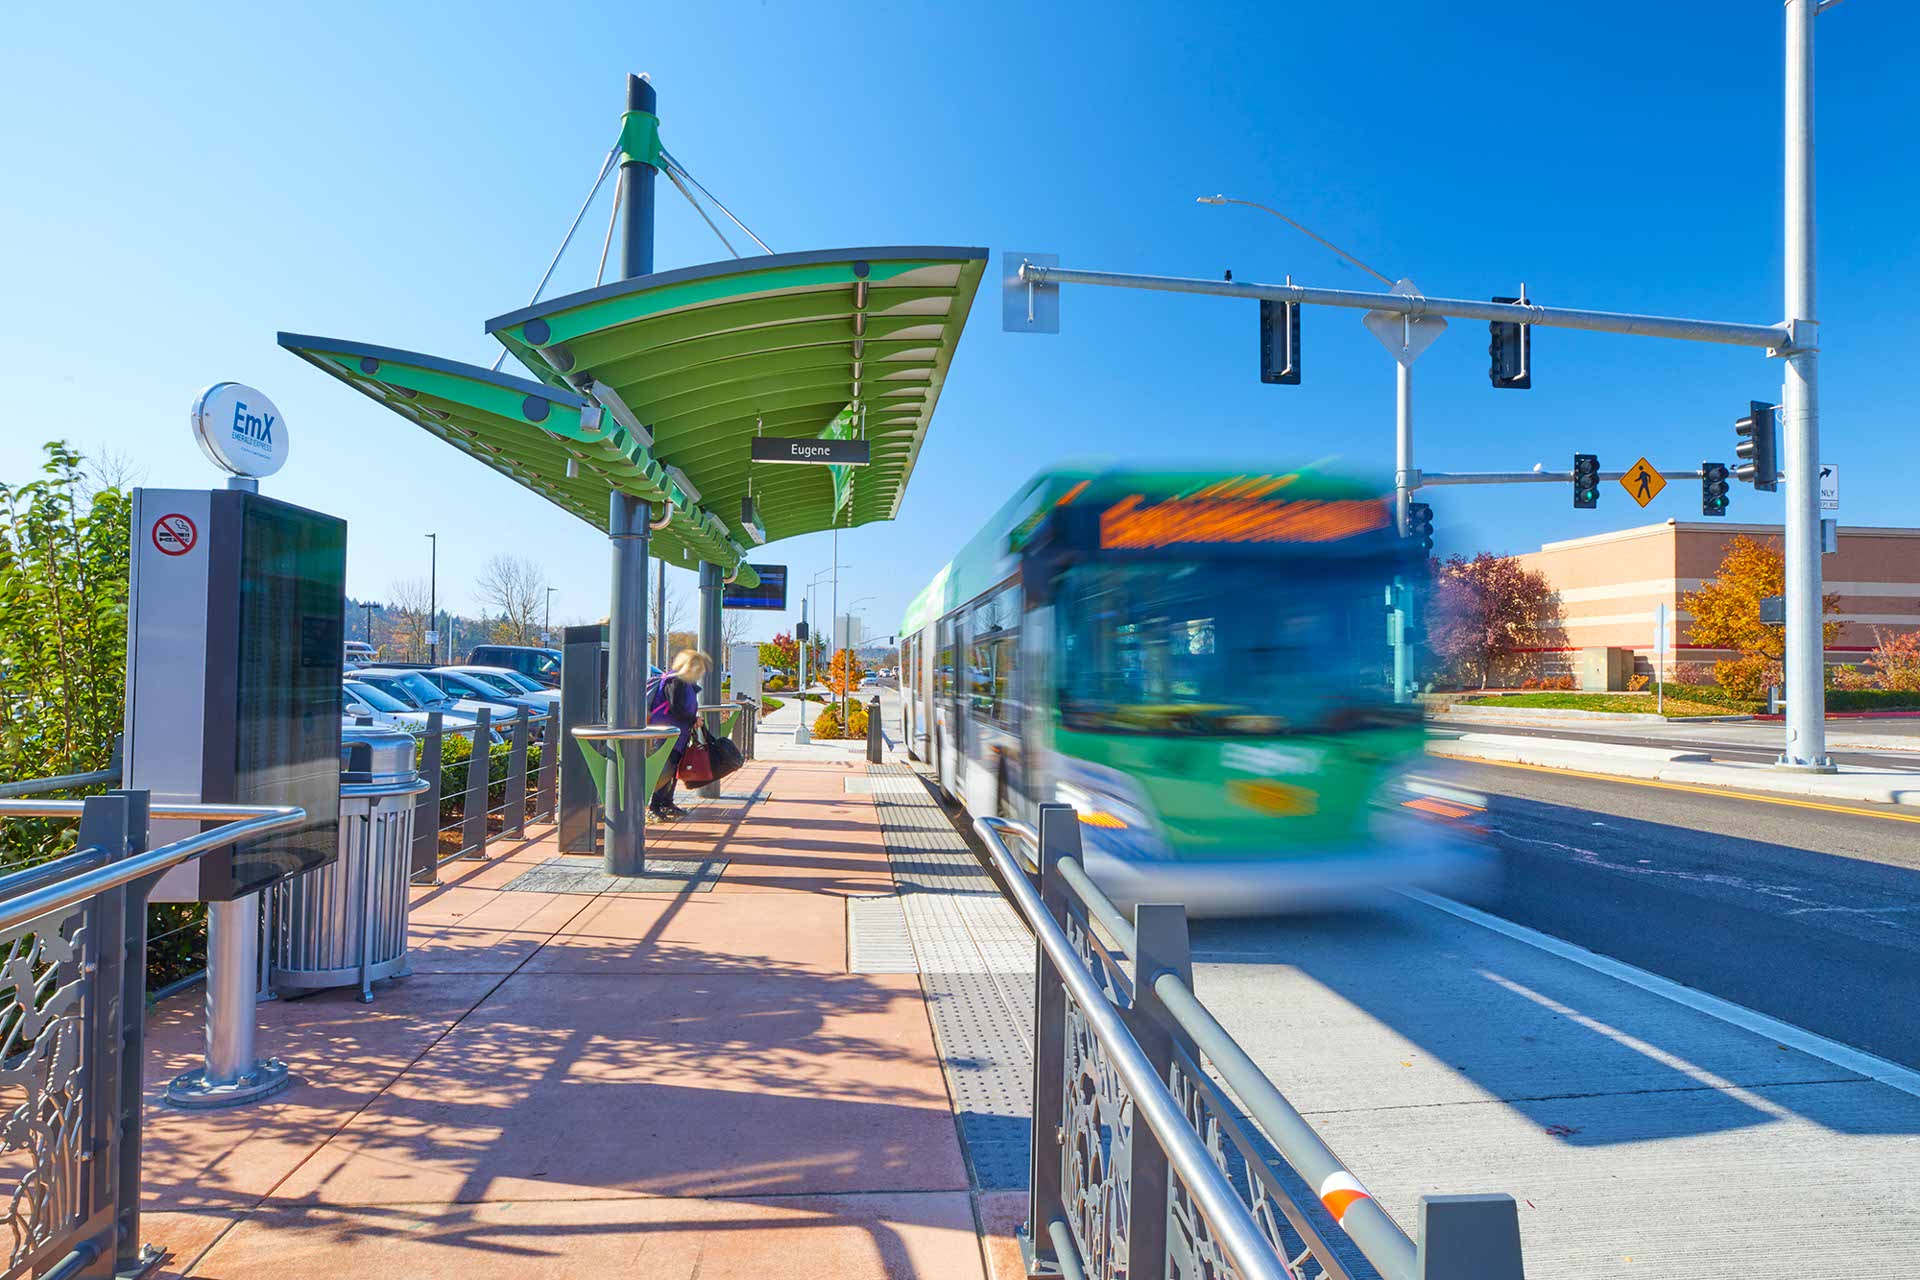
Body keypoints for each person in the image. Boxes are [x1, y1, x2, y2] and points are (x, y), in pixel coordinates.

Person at [648, 648, 708, 820]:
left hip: (676, 734)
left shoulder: (682, 682)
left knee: (672, 769)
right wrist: (693, 719)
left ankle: (666, 803)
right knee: (665, 769)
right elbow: (677, 708)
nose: (700, 672)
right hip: (669, 733)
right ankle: (655, 806)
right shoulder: (676, 682)